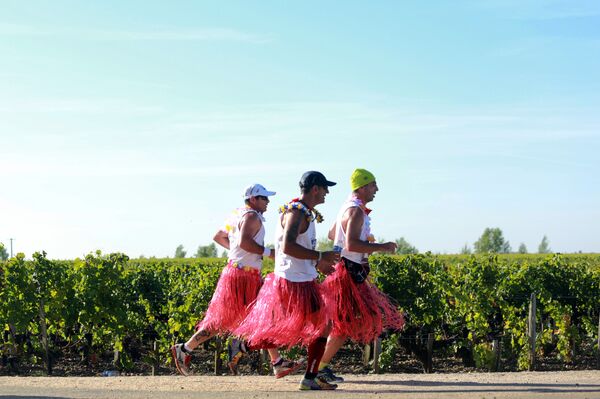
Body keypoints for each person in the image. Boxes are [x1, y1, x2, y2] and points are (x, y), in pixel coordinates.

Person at [171, 184, 302, 378]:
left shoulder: (238, 214)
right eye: (264, 198)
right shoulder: (251, 216)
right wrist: (268, 253)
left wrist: (237, 254)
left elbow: (219, 237)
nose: (268, 202)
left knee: (245, 318)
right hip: (243, 276)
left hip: (238, 273)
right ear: (253, 199)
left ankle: (276, 361)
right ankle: (188, 348)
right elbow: (244, 242)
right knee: (254, 317)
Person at [235, 171, 340, 390]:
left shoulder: (303, 212)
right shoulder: (297, 212)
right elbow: (288, 247)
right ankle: (246, 345)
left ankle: (309, 376)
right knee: (321, 326)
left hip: (299, 280)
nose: (327, 193)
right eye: (324, 188)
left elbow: (296, 248)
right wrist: (319, 257)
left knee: (315, 326)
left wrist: (317, 263)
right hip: (296, 283)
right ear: (315, 189)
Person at [317, 168, 405, 383]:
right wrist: (381, 246)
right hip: (348, 272)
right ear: (363, 187)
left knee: (343, 325)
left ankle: (319, 367)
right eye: (374, 185)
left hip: (348, 270)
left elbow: (332, 234)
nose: (377, 189)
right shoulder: (355, 211)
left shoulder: (349, 208)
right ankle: (317, 368)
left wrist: (363, 237)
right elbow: (352, 244)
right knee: (343, 326)